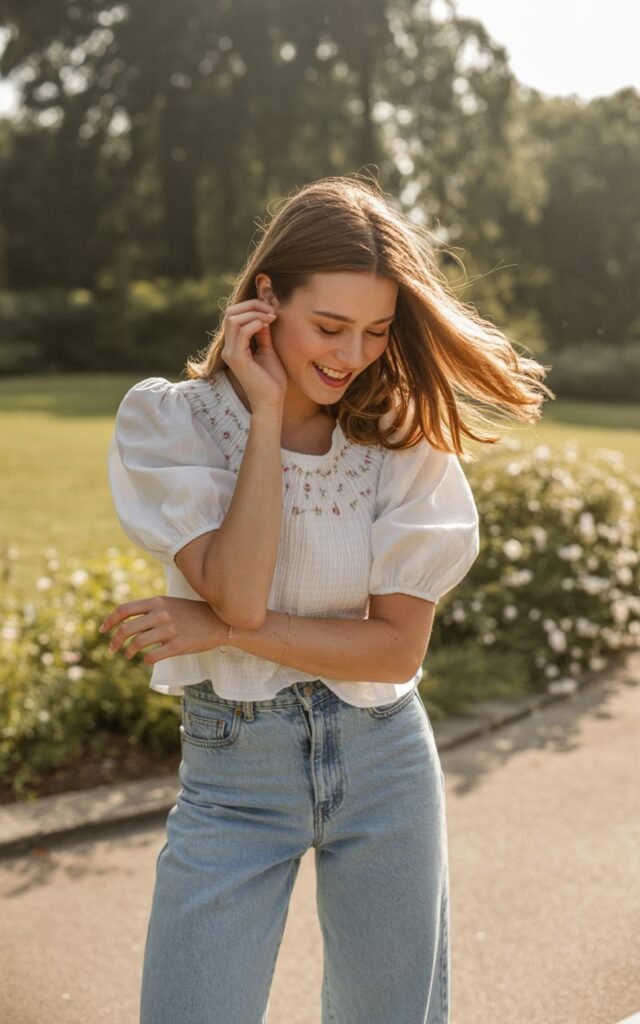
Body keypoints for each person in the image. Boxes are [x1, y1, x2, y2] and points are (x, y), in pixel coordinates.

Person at [104, 174, 553, 1024]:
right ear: (264, 299)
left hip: (385, 761)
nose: (352, 356)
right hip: (236, 772)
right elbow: (237, 589)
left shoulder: (402, 444)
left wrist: (222, 628)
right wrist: (267, 410)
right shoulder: (173, 424)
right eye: (330, 327)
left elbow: (393, 650)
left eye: (377, 332)